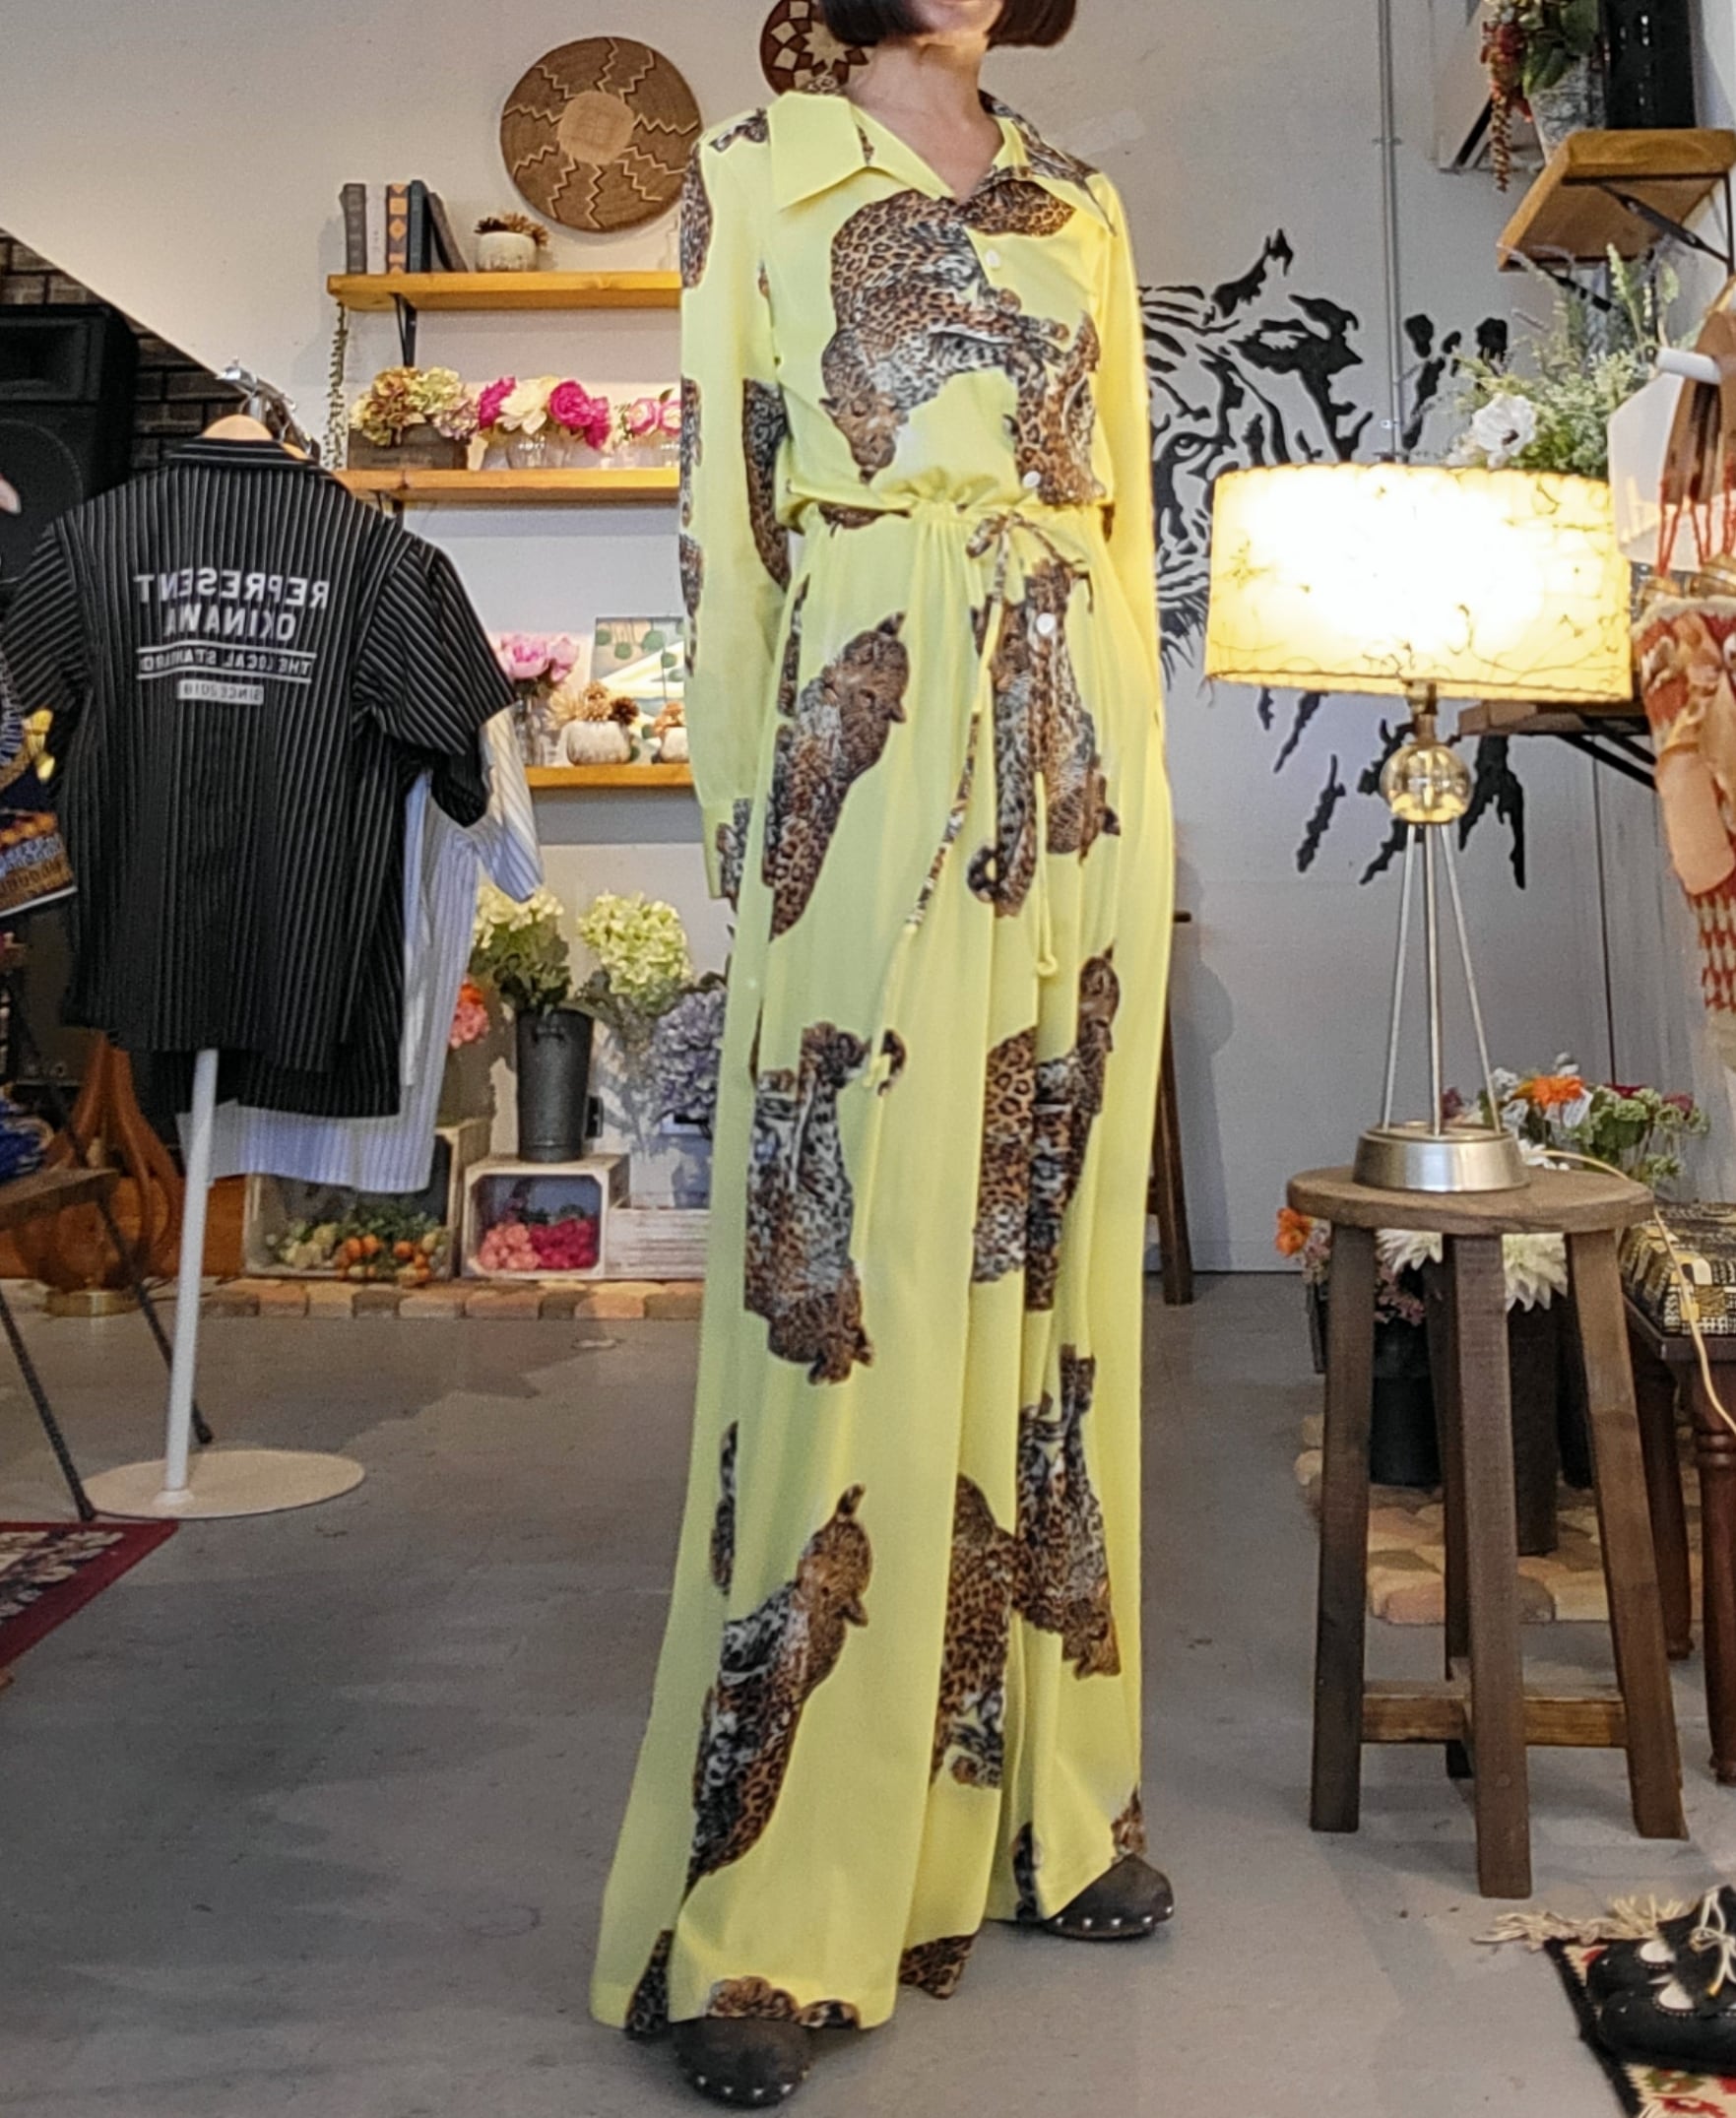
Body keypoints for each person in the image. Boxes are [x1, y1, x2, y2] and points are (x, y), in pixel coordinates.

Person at [591, 0, 1175, 2101]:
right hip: (865, 747)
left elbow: (1116, 526)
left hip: (1072, 765)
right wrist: (749, 845)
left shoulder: (1079, 200)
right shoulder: (757, 170)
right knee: (835, 1283)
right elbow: (727, 530)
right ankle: (767, 1909)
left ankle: (1044, 1805)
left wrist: (1138, 804)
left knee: (1050, 1281)